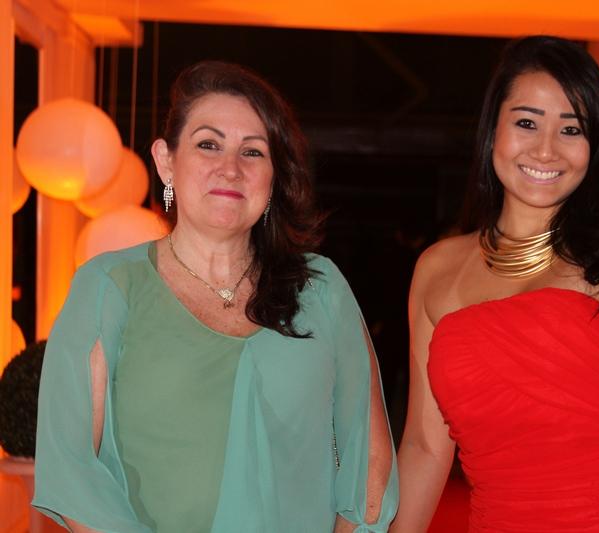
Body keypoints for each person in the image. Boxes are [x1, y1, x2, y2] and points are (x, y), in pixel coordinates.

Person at [33, 61, 398, 532]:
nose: (231, 168)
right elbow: (72, 467)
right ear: (166, 160)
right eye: (208, 144)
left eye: (253, 152)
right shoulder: (106, 285)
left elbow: (370, 460)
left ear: (274, 176)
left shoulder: (321, 288)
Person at [393, 36, 599, 532]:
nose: (546, 149)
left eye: (571, 129)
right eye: (526, 123)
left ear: (595, 145)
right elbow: (423, 446)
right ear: (492, 131)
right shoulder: (436, 269)